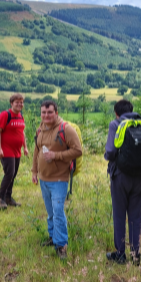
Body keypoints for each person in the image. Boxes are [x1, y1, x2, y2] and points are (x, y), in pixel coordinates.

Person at [30, 99, 82, 260]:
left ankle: (61, 245)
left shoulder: (66, 129)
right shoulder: (41, 129)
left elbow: (78, 150)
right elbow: (37, 150)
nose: (46, 115)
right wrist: (34, 170)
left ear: (56, 113)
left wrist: (56, 155)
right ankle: (53, 237)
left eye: (49, 112)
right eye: (43, 112)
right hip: (44, 178)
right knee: (51, 212)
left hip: (59, 179)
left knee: (58, 211)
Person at [104, 99, 141, 266]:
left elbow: (110, 150)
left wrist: (107, 157)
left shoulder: (116, 124)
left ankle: (120, 254)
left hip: (120, 175)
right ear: (131, 110)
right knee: (135, 216)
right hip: (139, 176)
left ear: (117, 113)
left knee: (120, 214)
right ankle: (135, 254)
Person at [0, 93, 29, 210]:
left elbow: (22, 132)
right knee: (9, 173)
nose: (20, 104)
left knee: (13, 175)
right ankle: (1, 198)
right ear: (11, 103)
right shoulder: (6, 115)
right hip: (6, 149)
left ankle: (8, 198)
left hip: (17, 150)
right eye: (17, 102)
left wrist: (25, 147)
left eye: (21, 102)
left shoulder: (20, 116)